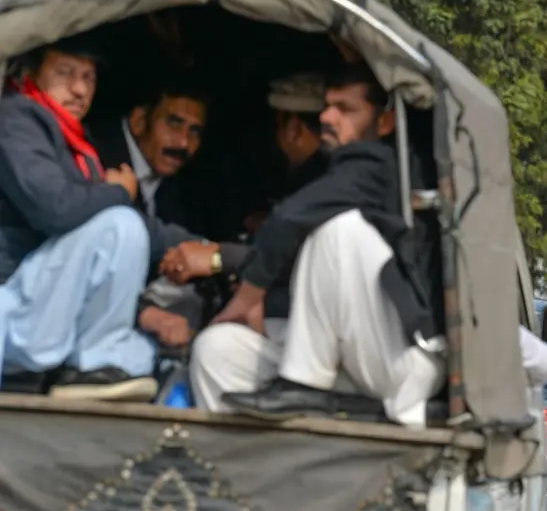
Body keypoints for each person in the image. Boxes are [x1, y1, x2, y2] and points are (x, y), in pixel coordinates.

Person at [189, 61, 442, 424]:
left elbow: (291, 218)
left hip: (400, 359)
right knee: (216, 349)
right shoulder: (335, 170)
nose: (326, 117)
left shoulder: (383, 161)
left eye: (345, 109)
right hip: (352, 358)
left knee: (338, 230)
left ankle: (302, 383)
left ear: (385, 122)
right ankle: (256, 457)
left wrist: (248, 294)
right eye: (327, 106)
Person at [0, 37, 161, 401]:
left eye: (89, 77)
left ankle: (94, 369)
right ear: (32, 74)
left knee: (147, 352)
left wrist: (209, 251)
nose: (79, 89)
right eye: (65, 73)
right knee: (119, 225)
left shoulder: (74, 139)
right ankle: (97, 363)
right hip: (10, 303)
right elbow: (55, 208)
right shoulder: (14, 118)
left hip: (39, 308)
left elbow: (119, 221)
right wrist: (119, 192)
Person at [159, 72, 329, 324]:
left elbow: (303, 260)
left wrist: (218, 257)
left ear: (293, 128)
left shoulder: (324, 181)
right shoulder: (305, 173)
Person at [91, 77, 220, 346]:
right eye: (174, 123)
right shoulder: (95, 159)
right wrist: (145, 314)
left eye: (194, 131)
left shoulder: (180, 181)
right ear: (139, 121)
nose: (183, 142)